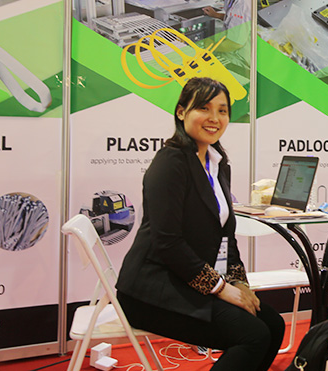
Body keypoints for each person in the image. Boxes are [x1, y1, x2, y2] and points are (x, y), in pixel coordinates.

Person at [116, 77, 284, 371]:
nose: (214, 118)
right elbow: (167, 242)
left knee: (273, 323)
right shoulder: (171, 163)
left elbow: (226, 237)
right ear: (181, 112)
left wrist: (239, 283)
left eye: (222, 110)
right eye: (204, 108)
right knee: (253, 335)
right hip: (151, 290)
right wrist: (220, 288)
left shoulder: (217, 164)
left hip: (186, 281)